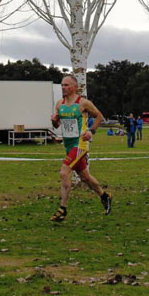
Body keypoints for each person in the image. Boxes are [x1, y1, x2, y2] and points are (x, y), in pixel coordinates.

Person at [49, 75, 112, 222]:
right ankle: (105, 196)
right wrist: (54, 121)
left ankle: (62, 209)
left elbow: (99, 116)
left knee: (64, 172)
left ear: (75, 87)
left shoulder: (83, 103)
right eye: (62, 85)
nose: (63, 88)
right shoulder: (60, 104)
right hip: (69, 145)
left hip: (80, 144)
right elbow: (58, 125)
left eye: (66, 85)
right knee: (85, 177)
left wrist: (91, 131)